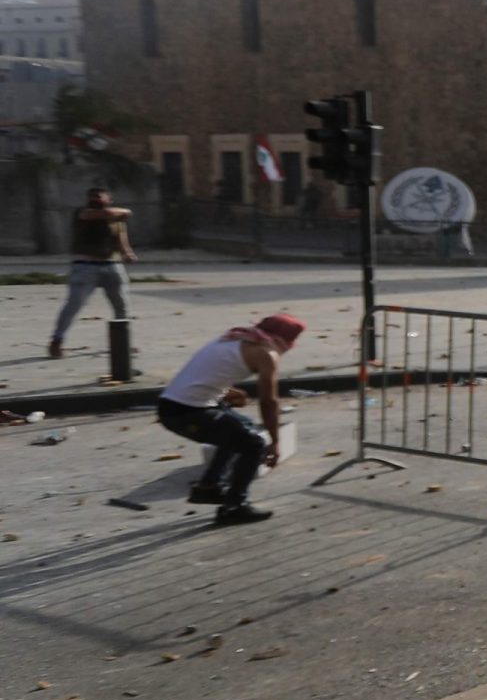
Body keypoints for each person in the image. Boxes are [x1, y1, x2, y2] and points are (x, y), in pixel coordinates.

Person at [156, 314, 305, 524]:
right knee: (253, 444)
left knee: (240, 428)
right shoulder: (266, 353)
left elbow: (206, 373)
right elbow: (268, 402)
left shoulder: (233, 339)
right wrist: (275, 442)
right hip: (185, 413)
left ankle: (208, 488)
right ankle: (234, 506)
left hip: (174, 404)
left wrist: (228, 391)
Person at [49, 186, 136, 359]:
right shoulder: (83, 212)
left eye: (99, 196)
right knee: (74, 305)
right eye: (92, 196)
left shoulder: (116, 219)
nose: (94, 199)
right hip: (85, 266)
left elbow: (121, 237)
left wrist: (127, 252)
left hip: (112, 265)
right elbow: (109, 214)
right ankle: (57, 341)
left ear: (109, 199)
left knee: (122, 306)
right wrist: (126, 211)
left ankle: (122, 344)